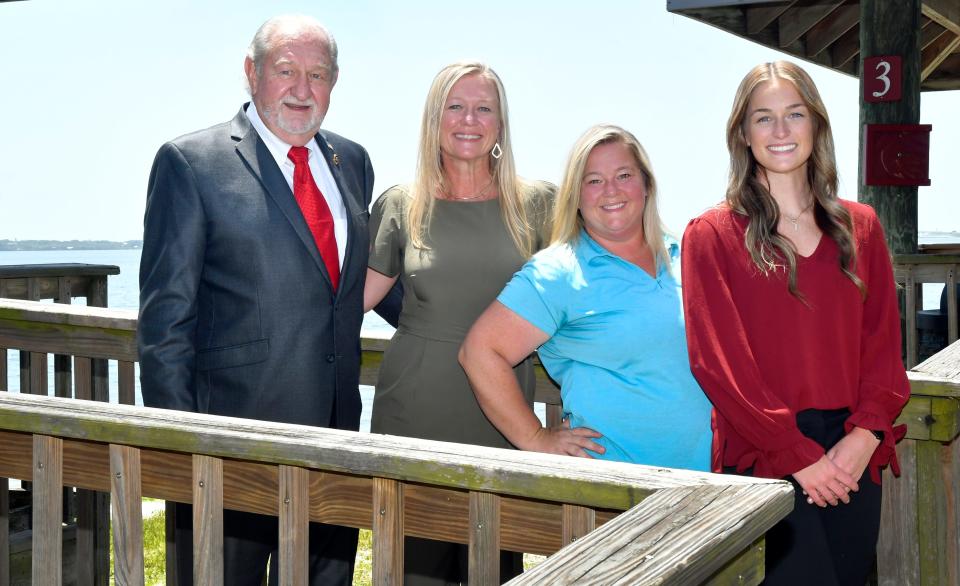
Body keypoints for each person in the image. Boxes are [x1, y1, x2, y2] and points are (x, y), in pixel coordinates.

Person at [138, 15, 390, 585]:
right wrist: (184, 450)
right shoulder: (190, 162)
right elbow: (164, 323)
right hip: (229, 451)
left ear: (334, 82)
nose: (303, 89)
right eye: (286, 71)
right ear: (252, 73)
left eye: (317, 74)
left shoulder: (352, 160)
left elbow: (349, 284)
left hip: (333, 443)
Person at [681, 61, 910, 585]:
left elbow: (883, 347)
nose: (780, 131)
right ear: (743, 133)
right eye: (764, 118)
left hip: (853, 449)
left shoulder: (863, 227)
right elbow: (718, 363)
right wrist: (796, 455)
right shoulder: (711, 235)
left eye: (794, 114)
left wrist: (866, 434)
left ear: (816, 125)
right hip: (764, 451)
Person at [362, 61, 555, 585]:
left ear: (500, 122)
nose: (469, 119)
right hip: (414, 414)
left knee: (495, 568)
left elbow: (593, 277)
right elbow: (349, 300)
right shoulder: (403, 203)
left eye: (483, 107)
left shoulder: (537, 204)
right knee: (414, 571)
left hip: (502, 416)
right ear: (435, 118)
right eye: (455, 106)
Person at [460, 124, 712, 470]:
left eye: (624, 175)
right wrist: (535, 438)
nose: (611, 190)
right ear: (576, 196)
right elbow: (480, 352)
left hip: (708, 483)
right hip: (615, 485)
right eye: (593, 180)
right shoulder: (558, 272)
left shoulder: (686, 256)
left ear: (647, 184)